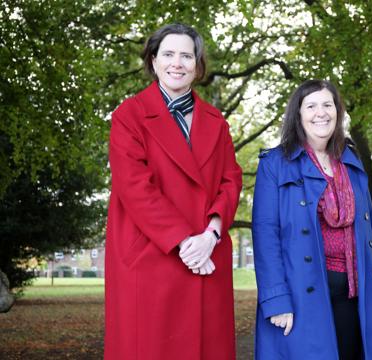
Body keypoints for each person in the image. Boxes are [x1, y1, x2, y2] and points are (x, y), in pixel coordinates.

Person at [105, 23, 242, 360]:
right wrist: (185, 241)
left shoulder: (216, 120)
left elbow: (231, 179)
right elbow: (134, 187)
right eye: (168, 54)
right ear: (153, 61)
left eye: (186, 55)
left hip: (206, 254)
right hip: (153, 254)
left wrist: (211, 233)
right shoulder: (129, 115)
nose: (177, 63)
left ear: (198, 66)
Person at [252, 80, 372, 359]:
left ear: (338, 112)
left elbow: (370, 228)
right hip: (301, 294)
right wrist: (276, 299)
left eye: (328, 105)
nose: (321, 113)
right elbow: (265, 235)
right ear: (298, 114)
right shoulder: (275, 163)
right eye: (311, 106)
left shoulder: (351, 160)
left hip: (355, 292)